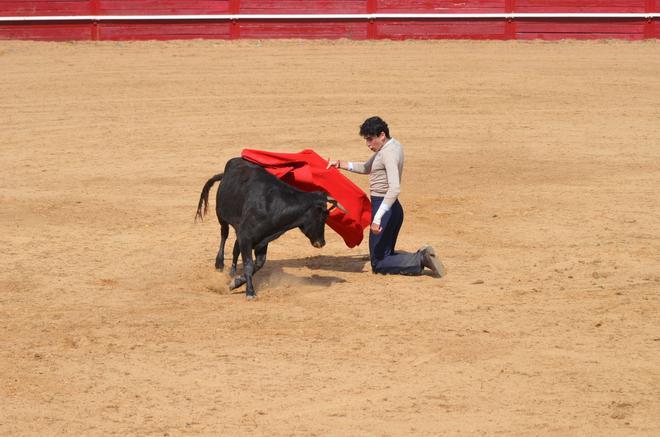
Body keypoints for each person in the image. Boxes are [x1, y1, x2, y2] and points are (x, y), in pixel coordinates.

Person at [327, 116, 445, 277]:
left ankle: (421, 259)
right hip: (394, 209)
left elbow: (395, 188)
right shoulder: (392, 146)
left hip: (384, 209)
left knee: (379, 263)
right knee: (385, 254)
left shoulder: (387, 154)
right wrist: (340, 164)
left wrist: (377, 218)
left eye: (370, 139)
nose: (368, 144)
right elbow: (367, 167)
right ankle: (422, 255)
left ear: (382, 135)